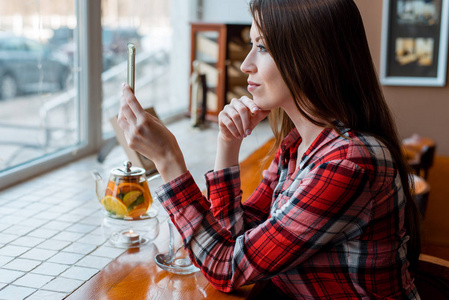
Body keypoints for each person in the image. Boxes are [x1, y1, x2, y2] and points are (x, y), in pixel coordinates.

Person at [117, 0, 421, 298]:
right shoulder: (298, 146)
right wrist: (228, 142)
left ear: (309, 57)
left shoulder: (346, 164)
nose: (245, 64)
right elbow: (233, 239)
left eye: (261, 47)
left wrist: (167, 160)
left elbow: (226, 269)